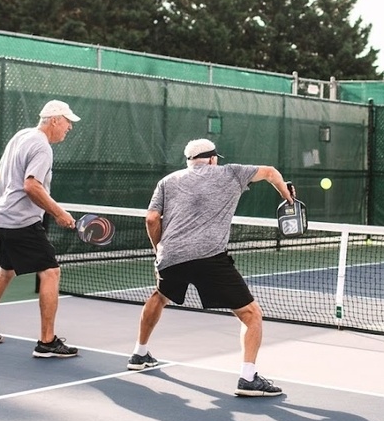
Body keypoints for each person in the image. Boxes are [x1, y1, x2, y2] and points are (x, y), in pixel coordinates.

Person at [126, 138, 294, 397]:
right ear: (214, 159)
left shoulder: (168, 181)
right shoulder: (231, 173)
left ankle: (139, 354)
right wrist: (287, 197)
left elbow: (151, 219)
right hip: (209, 257)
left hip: (171, 255)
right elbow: (271, 172)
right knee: (251, 315)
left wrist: (159, 249)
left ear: (189, 162)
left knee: (159, 296)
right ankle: (248, 378)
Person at [0, 100, 82, 357]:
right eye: (67, 121)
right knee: (50, 272)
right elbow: (31, 186)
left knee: (6, 271)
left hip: (0, 217)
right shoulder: (42, 146)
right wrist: (59, 213)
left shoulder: (21, 136)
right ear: (54, 120)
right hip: (20, 221)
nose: (69, 127)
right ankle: (47, 342)